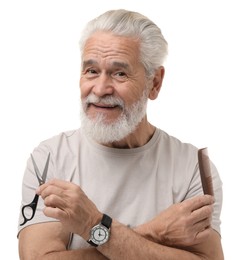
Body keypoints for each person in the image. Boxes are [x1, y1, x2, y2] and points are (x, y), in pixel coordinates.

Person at [18, 9, 224, 259]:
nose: (101, 88)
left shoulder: (192, 167)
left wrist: (93, 224)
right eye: (91, 70)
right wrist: (156, 231)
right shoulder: (50, 158)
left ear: (154, 83)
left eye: (119, 73)